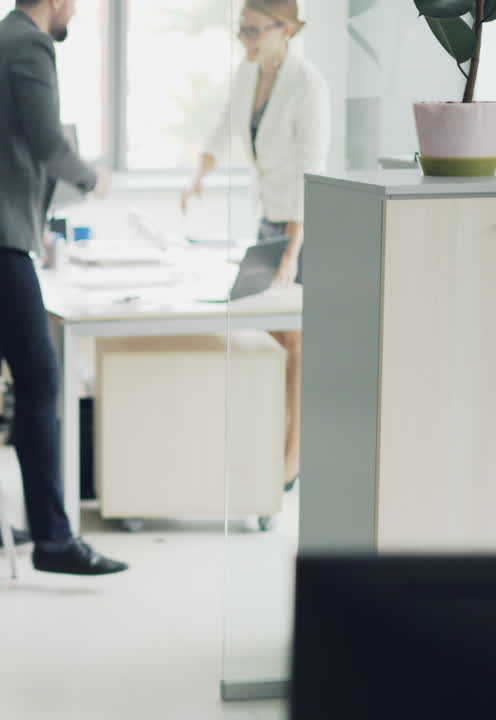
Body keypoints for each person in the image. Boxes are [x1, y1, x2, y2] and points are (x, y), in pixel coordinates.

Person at [0, 0, 126, 576]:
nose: (79, 12)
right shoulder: (30, 45)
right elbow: (48, 143)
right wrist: (94, 178)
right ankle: (54, 540)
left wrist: (28, 214)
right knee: (40, 378)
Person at [182, 0, 329, 489]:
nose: (244, 40)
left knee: (296, 340)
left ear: (284, 30)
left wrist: (292, 251)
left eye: (253, 31)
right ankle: (275, 438)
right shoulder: (249, 74)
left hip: (302, 225)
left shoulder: (308, 86)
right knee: (272, 335)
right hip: (269, 216)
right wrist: (198, 175)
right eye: (240, 30)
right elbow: (223, 127)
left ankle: (295, 455)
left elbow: (311, 172)